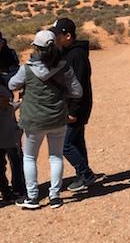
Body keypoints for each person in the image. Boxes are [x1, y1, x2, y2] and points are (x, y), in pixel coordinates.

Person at [9, 30, 82, 210]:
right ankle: (55, 196)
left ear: (36, 48)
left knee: (29, 157)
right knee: (56, 156)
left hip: (33, 120)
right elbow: (77, 91)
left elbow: (12, 85)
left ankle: (33, 198)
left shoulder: (27, 68)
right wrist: (61, 93)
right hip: (58, 118)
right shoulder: (64, 66)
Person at [52, 18, 105, 192]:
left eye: (57, 35)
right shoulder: (69, 52)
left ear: (67, 36)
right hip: (74, 105)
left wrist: (73, 110)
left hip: (77, 106)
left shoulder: (76, 56)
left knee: (65, 144)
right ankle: (82, 176)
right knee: (77, 141)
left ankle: (86, 174)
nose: (55, 38)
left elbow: (78, 84)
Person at [0, 82, 24, 203]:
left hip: (8, 130)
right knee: (16, 160)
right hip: (7, 131)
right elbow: (6, 105)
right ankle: (17, 190)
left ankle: (6, 191)